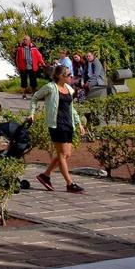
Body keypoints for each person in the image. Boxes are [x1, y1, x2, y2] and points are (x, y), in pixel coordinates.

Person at [30, 64, 86, 193]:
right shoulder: (50, 87)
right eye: (68, 75)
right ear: (61, 76)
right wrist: (31, 114)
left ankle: (45, 176)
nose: (71, 77)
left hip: (68, 123)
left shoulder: (69, 89)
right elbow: (35, 97)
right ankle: (70, 184)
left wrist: (78, 123)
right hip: (56, 124)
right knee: (62, 154)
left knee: (67, 154)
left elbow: (71, 108)